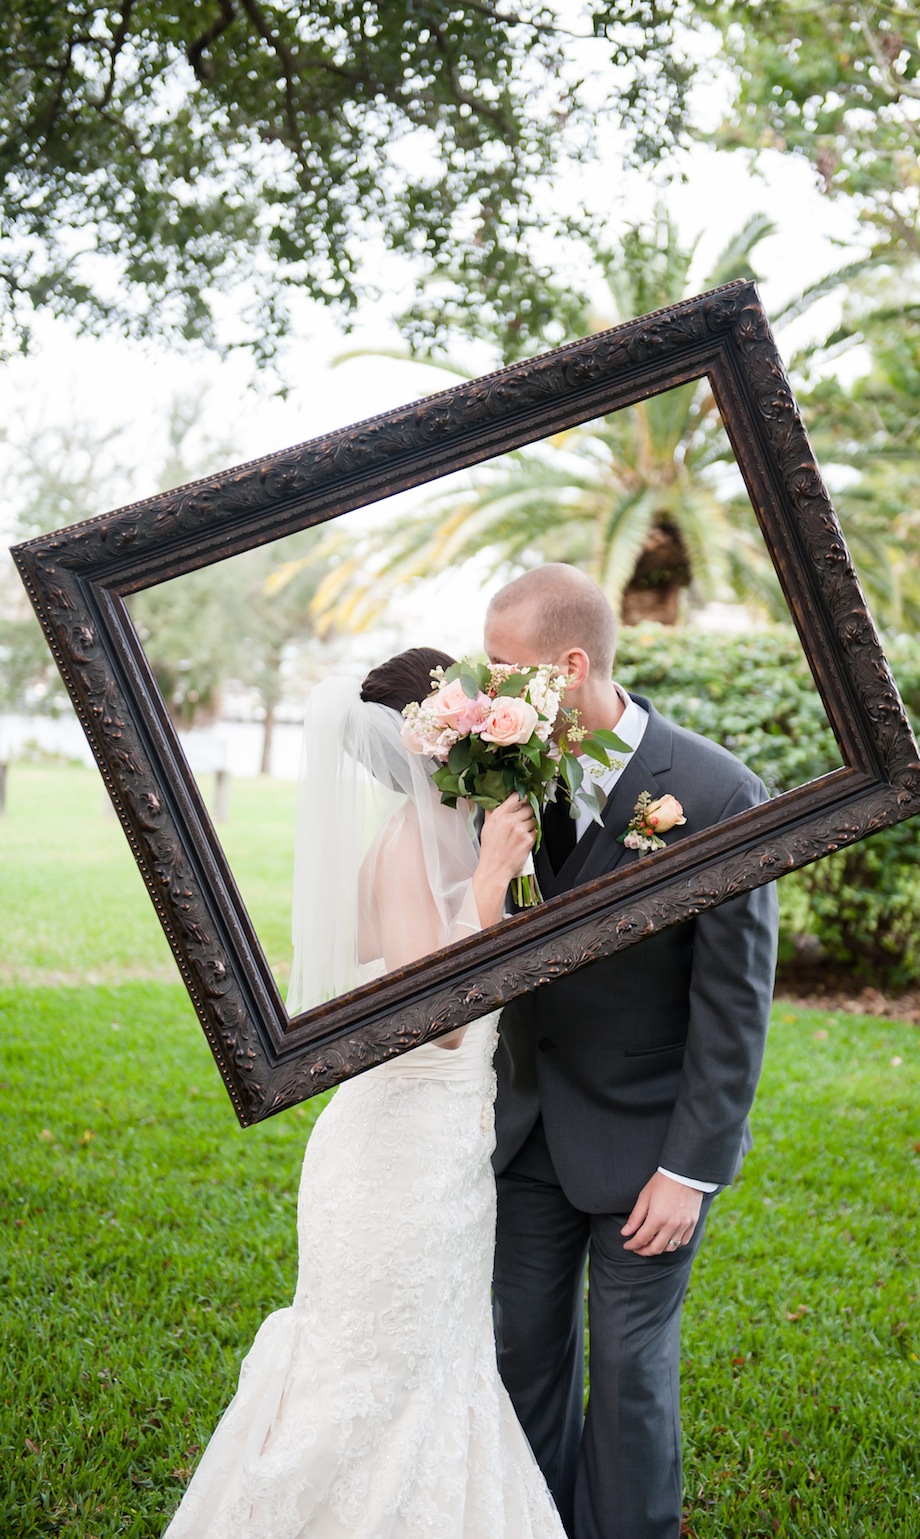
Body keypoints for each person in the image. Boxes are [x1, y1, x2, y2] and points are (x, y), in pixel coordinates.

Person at [162, 647, 568, 1539]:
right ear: (439, 742)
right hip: (396, 1163)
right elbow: (443, 1020)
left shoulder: (450, 834)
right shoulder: (409, 845)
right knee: (378, 1372)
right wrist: (495, 884)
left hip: (446, 1153)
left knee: (433, 1366)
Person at [485, 566, 779, 1539]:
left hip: (648, 1148)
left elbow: (733, 1012)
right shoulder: (506, 775)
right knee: (518, 1357)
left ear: (569, 668)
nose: (486, 692)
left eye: (502, 669)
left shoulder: (716, 792)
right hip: (523, 1135)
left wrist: (688, 1172)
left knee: (628, 1375)